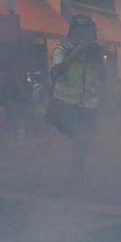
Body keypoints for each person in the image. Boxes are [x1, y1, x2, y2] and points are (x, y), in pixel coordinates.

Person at [47, 14, 106, 181]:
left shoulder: (93, 52)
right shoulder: (62, 50)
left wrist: (98, 58)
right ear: (73, 33)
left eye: (88, 33)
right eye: (82, 32)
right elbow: (57, 71)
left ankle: (78, 169)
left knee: (85, 141)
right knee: (78, 137)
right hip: (65, 104)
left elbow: (102, 76)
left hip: (88, 105)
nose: (86, 37)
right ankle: (76, 173)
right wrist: (77, 52)